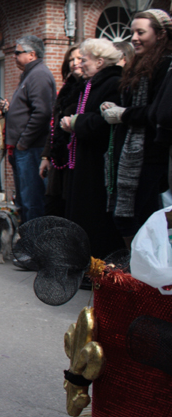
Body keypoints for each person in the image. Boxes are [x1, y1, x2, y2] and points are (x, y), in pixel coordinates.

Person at [103, 9, 172, 244]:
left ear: (161, 34)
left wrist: (124, 114)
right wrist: (114, 107)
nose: (134, 38)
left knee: (128, 216)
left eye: (141, 32)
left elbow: (157, 111)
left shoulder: (165, 66)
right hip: (130, 150)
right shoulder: (138, 65)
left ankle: (137, 272)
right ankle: (145, 273)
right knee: (142, 215)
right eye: (132, 32)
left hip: (150, 153)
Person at [58, 38, 123, 259]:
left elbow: (103, 121)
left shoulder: (113, 83)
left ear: (100, 61)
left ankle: (96, 266)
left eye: (84, 60)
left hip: (97, 162)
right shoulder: (92, 83)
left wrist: (76, 122)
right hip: (85, 159)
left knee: (95, 217)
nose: (80, 64)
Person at [2, 35, 56, 223]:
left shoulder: (39, 74)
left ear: (31, 54)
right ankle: (27, 241)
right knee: (25, 199)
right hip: (23, 148)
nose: (14, 56)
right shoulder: (29, 75)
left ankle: (33, 244)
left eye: (17, 53)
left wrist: (24, 142)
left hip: (31, 148)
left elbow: (42, 112)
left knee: (31, 198)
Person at [39, 44, 84, 218]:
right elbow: (54, 125)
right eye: (71, 59)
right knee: (53, 207)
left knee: (70, 210)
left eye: (80, 59)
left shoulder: (88, 88)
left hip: (76, 159)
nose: (75, 63)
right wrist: (46, 156)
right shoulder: (66, 89)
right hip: (59, 158)